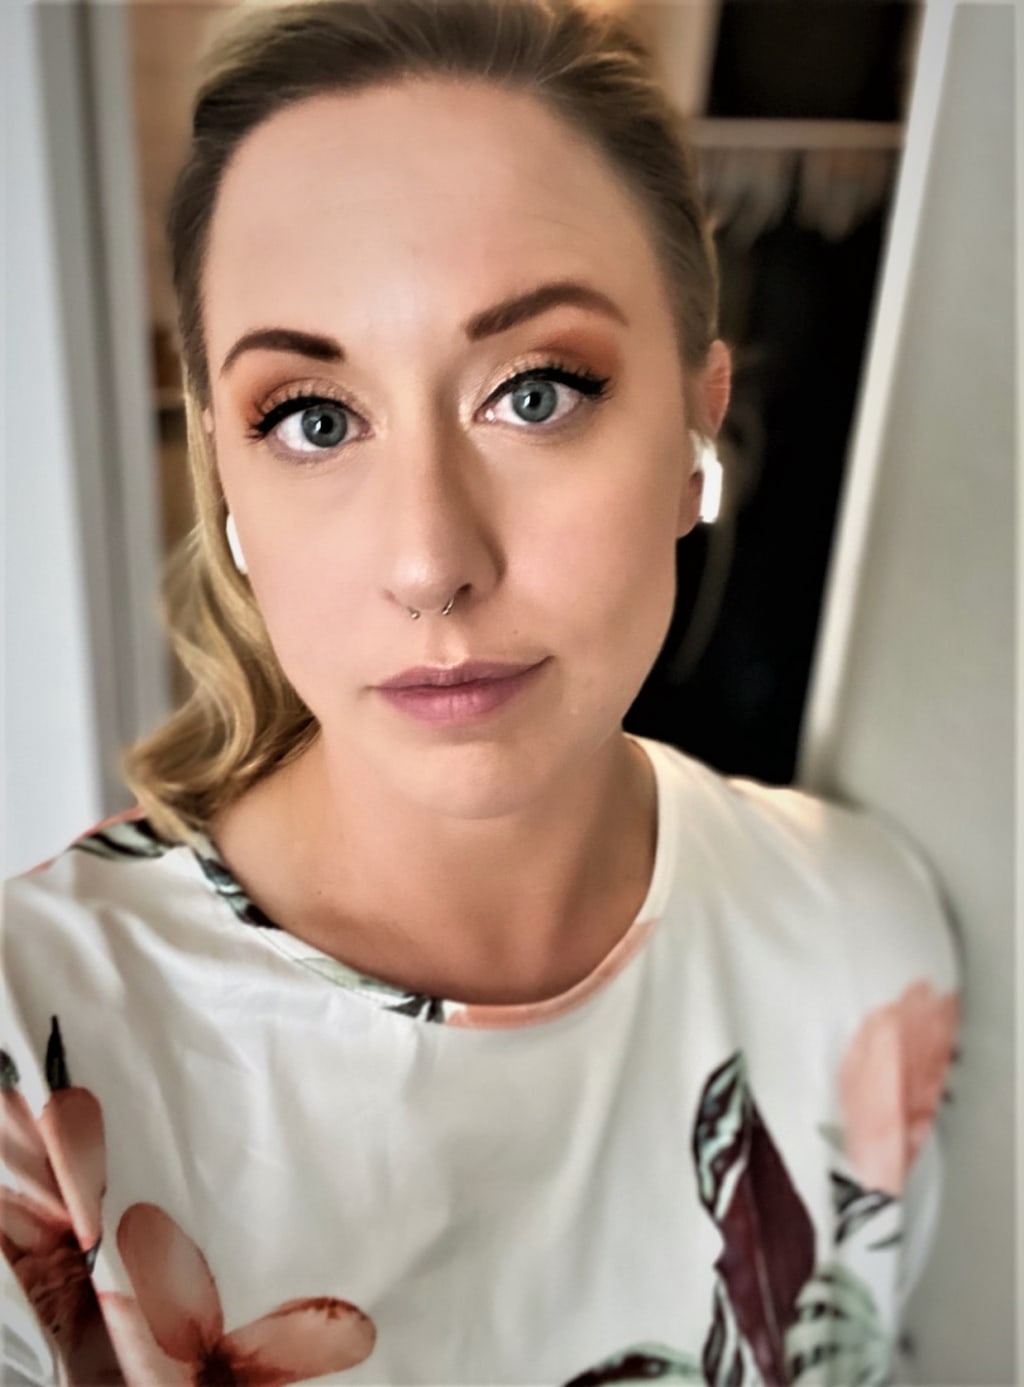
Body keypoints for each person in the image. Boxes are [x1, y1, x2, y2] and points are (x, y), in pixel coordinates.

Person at [1, 2, 960, 1383]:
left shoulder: (865, 936)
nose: (430, 562)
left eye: (536, 393)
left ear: (698, 421)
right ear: (229, 485)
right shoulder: (35, 1073)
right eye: (312, 419)